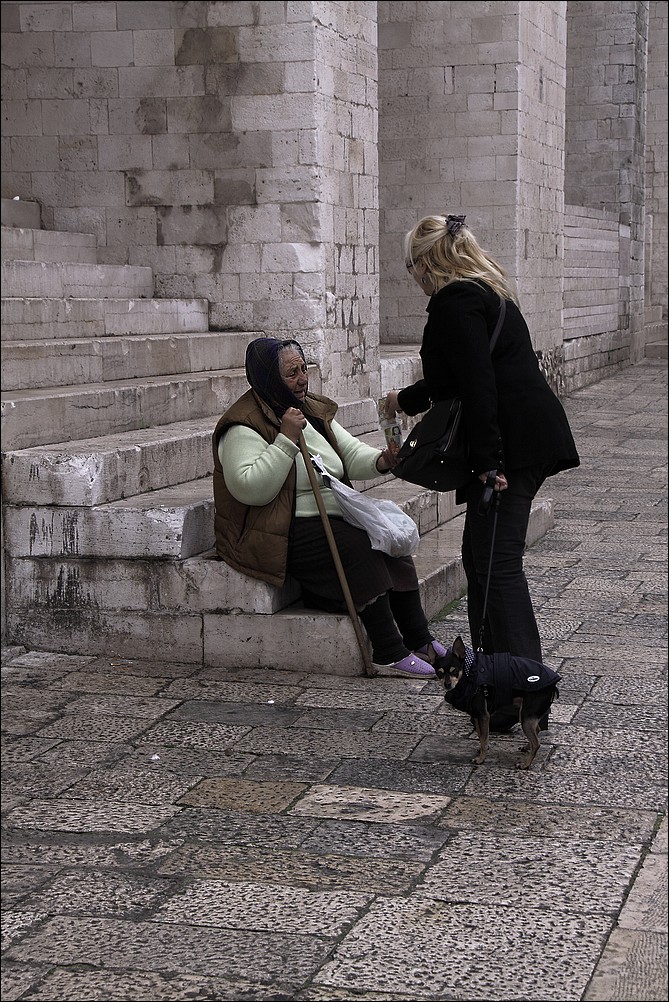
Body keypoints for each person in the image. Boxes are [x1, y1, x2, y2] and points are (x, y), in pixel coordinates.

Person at [384, 213, 580, 729]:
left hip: (510, 447)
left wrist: (491, 464)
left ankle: (522, 692)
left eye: (411, 266)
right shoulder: (485, 293)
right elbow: (460, 375)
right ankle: (497, 687)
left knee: (497, 566)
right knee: (481, 559)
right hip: (522, 438)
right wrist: (405, 399)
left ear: (428, 261)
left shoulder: (455, 302)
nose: (413, 277)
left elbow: (478, 386)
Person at [212, 336, 447, 679]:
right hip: (277, 530)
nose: (302, 379)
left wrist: (382, 460)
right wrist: (285, 441)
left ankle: (419, 639)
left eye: (303, 369)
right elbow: (250, 489)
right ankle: (387, 649)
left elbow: (349, 454)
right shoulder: (243, 424)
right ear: (268, 378)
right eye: (292, 373)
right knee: (358, 546)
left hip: (331, 515)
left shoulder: (310, 408)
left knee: (388, 538)